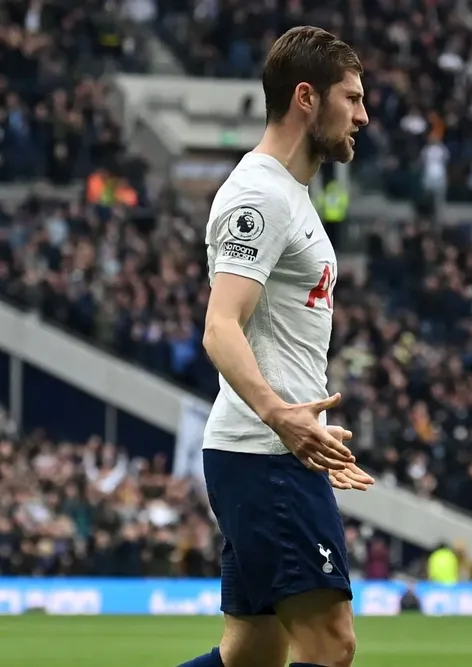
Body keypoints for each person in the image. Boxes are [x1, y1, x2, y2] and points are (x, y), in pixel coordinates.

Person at [178, 26, 372, 667]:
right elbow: (220, 326)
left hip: (272, 451)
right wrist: (280, 416)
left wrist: (304, 426)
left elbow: (280, 338)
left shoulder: (291, 194)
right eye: (353, 98)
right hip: (264, 455)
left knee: (253, 654)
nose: (363, 117)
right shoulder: (259, 194)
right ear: (307, 99)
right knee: (332, 645)